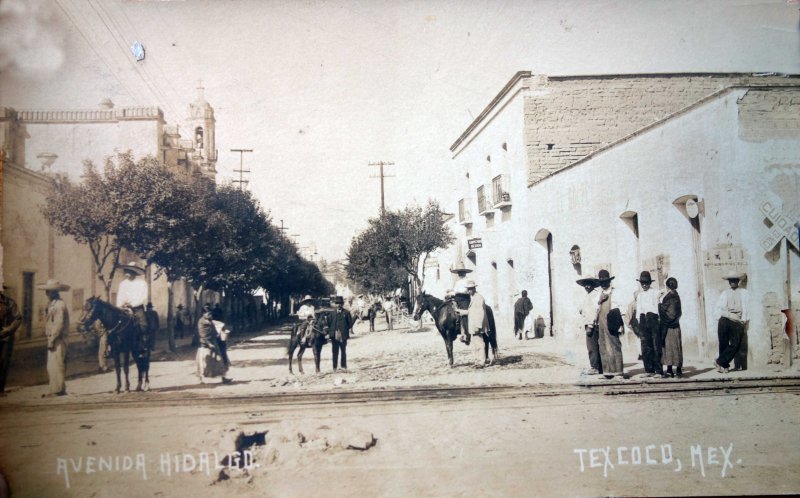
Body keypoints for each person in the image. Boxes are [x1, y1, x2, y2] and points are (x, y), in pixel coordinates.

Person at [38, 279, 70, 396]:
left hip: (58, 339)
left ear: (55, 292)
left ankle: (59, 390)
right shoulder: (52, 304)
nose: (47, 294)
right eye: (47, 291)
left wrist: (52, 339)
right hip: (53, 338)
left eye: (49, 291)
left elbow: (59, 324)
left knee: (58, 364)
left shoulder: (60, 305)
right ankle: (54, 389)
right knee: (51, 365)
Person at [714, 271, 750, 373]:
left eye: (734, 280)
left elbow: (746, 308)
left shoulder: (744, 293)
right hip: (725, 320)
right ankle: (724, 366)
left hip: (736, 321)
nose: (732, 282)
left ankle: (719, 361)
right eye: (730, 281)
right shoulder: (724, 293)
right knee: (723, 343)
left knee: (735, 344)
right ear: (729, 282)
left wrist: (743, 320)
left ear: (738, 281)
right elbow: (718, 307)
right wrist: (719, 318)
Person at [631, 271, 663, 377]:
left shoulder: (655, 292)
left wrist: (657, 320)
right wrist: (639, 324)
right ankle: (649, 370)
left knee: (655, 345)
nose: (644, 285)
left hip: (653, 319)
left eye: (646, 283)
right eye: (643, 283)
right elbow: (638, 310)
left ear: (650, 283)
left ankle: (658, 370)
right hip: (643, 320)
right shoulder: (639, 295)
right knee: (645, 346)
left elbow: (658, 308)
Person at [596, 270, 625, 379]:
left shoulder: (615, 292)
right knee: (603, 345)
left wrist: (621, 324)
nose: (603, 284)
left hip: (613, 321)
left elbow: (621, 308)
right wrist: (599, 301)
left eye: (605, 282)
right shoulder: (599, 294)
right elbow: (596, 308)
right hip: (602, 322)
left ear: (609, 281)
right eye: (601, 282)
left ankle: (618, 372)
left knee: (615, 344)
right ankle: (607, 371)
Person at [116, 261, 149, 354]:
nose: (126, 273)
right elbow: (120, 296)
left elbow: (143, 297)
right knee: (116, 324)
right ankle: (115, 345)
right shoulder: (122, 284)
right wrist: (120, 305)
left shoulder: (142, 283)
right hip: (124, 308)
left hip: (137, 307)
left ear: (133, 272)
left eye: (129, 271)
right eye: (126, 271)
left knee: (143, 324)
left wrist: (133, 304)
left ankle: (143, 344)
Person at [196, 304, 230, 384]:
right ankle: (200, 379)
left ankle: (223, 377)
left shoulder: (210, 321)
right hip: (205, 345)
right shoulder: (201, 322)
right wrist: (208, 343)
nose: (210, 315)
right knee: (204, 363)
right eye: (208, 313)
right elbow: (202, 334)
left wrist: (217, 334)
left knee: (219, 360)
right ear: (203, 314)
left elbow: (214, 328)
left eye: (210, 313)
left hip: (214, 342)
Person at [576, 277, 602, 375]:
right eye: (585, 285)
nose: (587, 286)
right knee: (593, 346)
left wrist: (590, 325)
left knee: (592, 346)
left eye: (589, 284)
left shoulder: (594, 295)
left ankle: (595, 367)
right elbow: (583, 309)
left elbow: (594, 311)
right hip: (588, 322)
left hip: (593, 324)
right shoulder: (588, 296)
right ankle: (598, 366)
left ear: (593, 285)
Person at [0, 285, 22, 395]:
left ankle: (0, 389)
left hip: (6, 338)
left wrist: (8, 329)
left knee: (3, 362)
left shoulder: (9, 303)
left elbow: (18, 318)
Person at [659, 277, 683, 378]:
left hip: (668, 327)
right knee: (677, 347)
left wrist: (659, 304)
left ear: (667, 286)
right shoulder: (677, 296)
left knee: (668, 348)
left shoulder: (667, 297)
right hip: (676, 325)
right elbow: (678, 312)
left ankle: (669, 370)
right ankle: (678, 369)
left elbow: (664, 310)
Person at [466, 280, 490, 368]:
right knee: (474, 345)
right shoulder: (473, 298)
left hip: (476, 325)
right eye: (468, 289)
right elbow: (470, 311)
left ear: (474, 289)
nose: (468, 291)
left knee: (479, 344)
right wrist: (460, 312)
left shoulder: (479, 298)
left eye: (469, 289)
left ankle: (481, 362)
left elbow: (481, 313)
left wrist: (478, 326)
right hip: (473, 326)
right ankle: (477, 361)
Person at [327, 296, 353, 371]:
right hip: (334, 334)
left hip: (343, 335)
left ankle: (343, 366)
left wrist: (344, 330)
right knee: (335, 351)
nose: (338, 305)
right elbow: (329, 323)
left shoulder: (347, 313)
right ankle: (334, 367)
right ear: (335, 304)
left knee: (343, 351)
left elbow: (350, 324)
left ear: (342, 304)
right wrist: (332, 331)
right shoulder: (332, 313)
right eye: (337, 303)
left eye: (340, 303)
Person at [450, 260, 473, 344]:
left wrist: (457, 292)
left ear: (465, 273)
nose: (460, 274)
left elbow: (467, 291)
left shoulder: (468, 281)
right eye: (459, 272)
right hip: (456, 299)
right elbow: (455, 290)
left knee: (464, 315)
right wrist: (451, 292)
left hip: (464, 299)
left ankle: (467, 334)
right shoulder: (457, 282)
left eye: (462, 272)